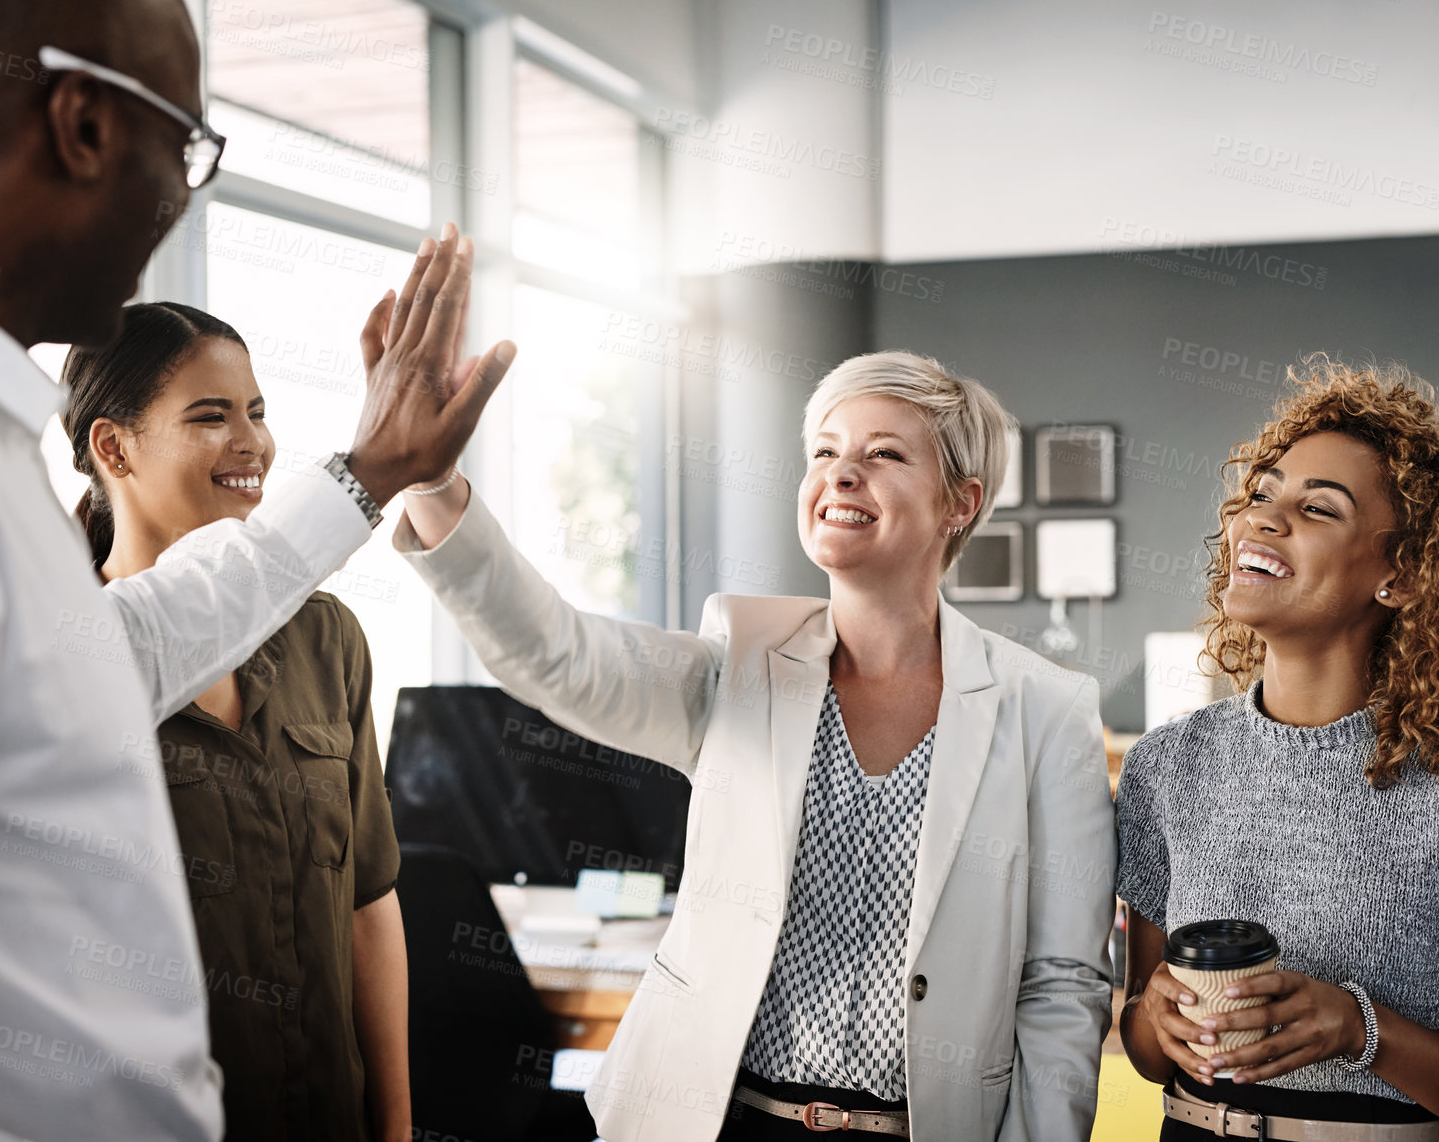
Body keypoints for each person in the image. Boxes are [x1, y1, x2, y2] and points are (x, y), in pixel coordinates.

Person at [0, 0, 511, 1137]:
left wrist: (368, 476)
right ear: (82, 124)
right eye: (183, 143)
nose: (184, 190)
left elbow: (118, 650)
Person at [392, 349, 1117, 1141]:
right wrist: (432, 485)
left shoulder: (1047, 709)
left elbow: (1062, 987)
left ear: (959, 503)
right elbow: (559, 654)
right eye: (825, 451)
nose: (841, 473)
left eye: (883, 454)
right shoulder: (739, 659)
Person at [1116, 358, 1439, 1139]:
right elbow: (1144, 1048)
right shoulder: (1163, 767)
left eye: (1317, 507)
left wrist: (1361, 1029)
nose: (1263, 519)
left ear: (1402, 574)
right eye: (1260, 492)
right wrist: (1152, 1016)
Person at [60, 302, 411, 1141]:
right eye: (210, 416)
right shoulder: (58, 657)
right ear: (114, 447)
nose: (251, 442)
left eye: (256, 411)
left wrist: (394, 1127)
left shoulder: (324, 636)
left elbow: (369, 899)